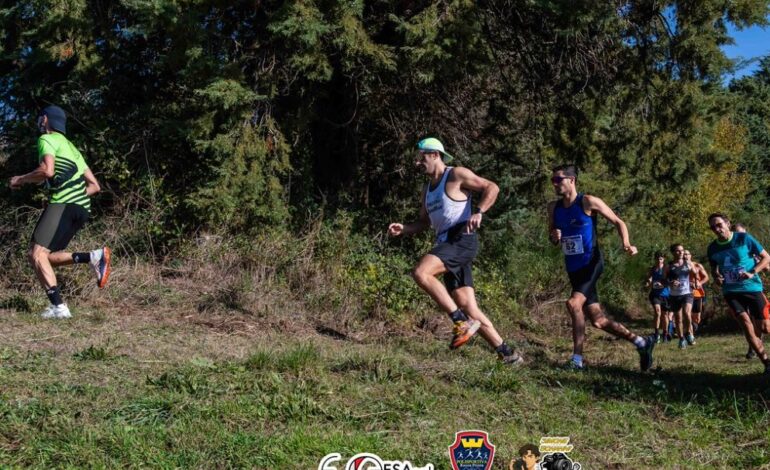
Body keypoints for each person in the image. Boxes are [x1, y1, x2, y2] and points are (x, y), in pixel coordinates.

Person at [388, 137, 523, 364]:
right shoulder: (427, 190)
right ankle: (507, 353)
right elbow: (424, 222)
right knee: (468, 305)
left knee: (421, 272)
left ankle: (460, 322)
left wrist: (479, 211)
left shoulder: (456, 174)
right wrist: (405, 228)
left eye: (421, 158)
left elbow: (492, 187)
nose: (418, 163)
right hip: (445, 243)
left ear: (435, 155)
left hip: (461, 238)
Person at [547, 164, 654, 371]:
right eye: (553, 180)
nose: (555, 184)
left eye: (558, 179)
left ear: (572, 180)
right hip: (574, 268)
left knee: (573, 304)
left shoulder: (588, 201)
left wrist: (626, 243)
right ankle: (642, 342)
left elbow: (618, 221)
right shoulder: (553, 208)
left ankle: (577, 360)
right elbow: (552, 236)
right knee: (598, 320)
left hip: (592, 263)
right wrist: (554, 236)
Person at [9, 105, 112, 319]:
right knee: (47, 256)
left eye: (41, 118)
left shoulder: (47, 139)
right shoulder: (72, 148)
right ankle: (94, 256)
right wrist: (73, 196)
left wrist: (21, 179)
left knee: (36, 254)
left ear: (46, 120)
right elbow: (94, 186)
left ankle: (59, 308)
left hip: (64, 203)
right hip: (81, 207)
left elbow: (47, 170)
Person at [707, 213, 770, 375]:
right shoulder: (712, 248)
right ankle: (766, 363)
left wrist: (752, 271)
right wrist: (717, 277)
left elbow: (766, 258)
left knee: (765, 328)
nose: (716, 229)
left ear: (728, 223)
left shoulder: (744, 239)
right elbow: (714, 269)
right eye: (713, 227)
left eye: (719, 225)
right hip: (731, 292)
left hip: (752, 288)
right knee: (747, 326)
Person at [734, 223, 766, 359]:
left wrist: (757, 266)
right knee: (747, 322)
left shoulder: (753, 250)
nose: (740, 235)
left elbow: (767, 265)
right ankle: (753, 348)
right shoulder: (734, 251)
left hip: (755, 288)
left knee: (760, 322)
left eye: (741, 233)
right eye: (736, 233)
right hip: (736, 290)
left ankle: (754, 346)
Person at [665, 244, 696, 349]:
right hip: (674, 295)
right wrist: (671, 283)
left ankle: (688, 333)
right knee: (678, 319)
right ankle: (681, 339)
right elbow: (663, 280)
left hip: (687, 293)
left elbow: (695, 273)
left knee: (687, 313)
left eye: (682, 250)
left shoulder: (688, 263)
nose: (681, 252)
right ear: (673, 252)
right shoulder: (669, 266)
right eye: (678, 251)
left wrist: (695, 282)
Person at [646, 251, 671, 343]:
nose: (659, 260)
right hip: (655, 294)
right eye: (657, 258)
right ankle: (656, 334)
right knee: (657, 312)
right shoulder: (652, 269)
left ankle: (665, 333)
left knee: (665, 315)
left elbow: (671, 280)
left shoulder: (667, 269)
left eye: (660, 258)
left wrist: (663, 283)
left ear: (663, 259)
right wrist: (648, 282)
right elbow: (649, 278)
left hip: (665, 295)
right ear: (655, 259)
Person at [684, 249, 709, 336]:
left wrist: (700, 282)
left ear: (690, 256)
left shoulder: (697, 265)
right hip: (685, 293)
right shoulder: (679, 267)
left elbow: (706, 277)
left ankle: (693, 330)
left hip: (697, 293)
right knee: (687, 314)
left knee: (697, 318)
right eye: (684, 254)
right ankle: (690, 334)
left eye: (687, 254)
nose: (685, 256)